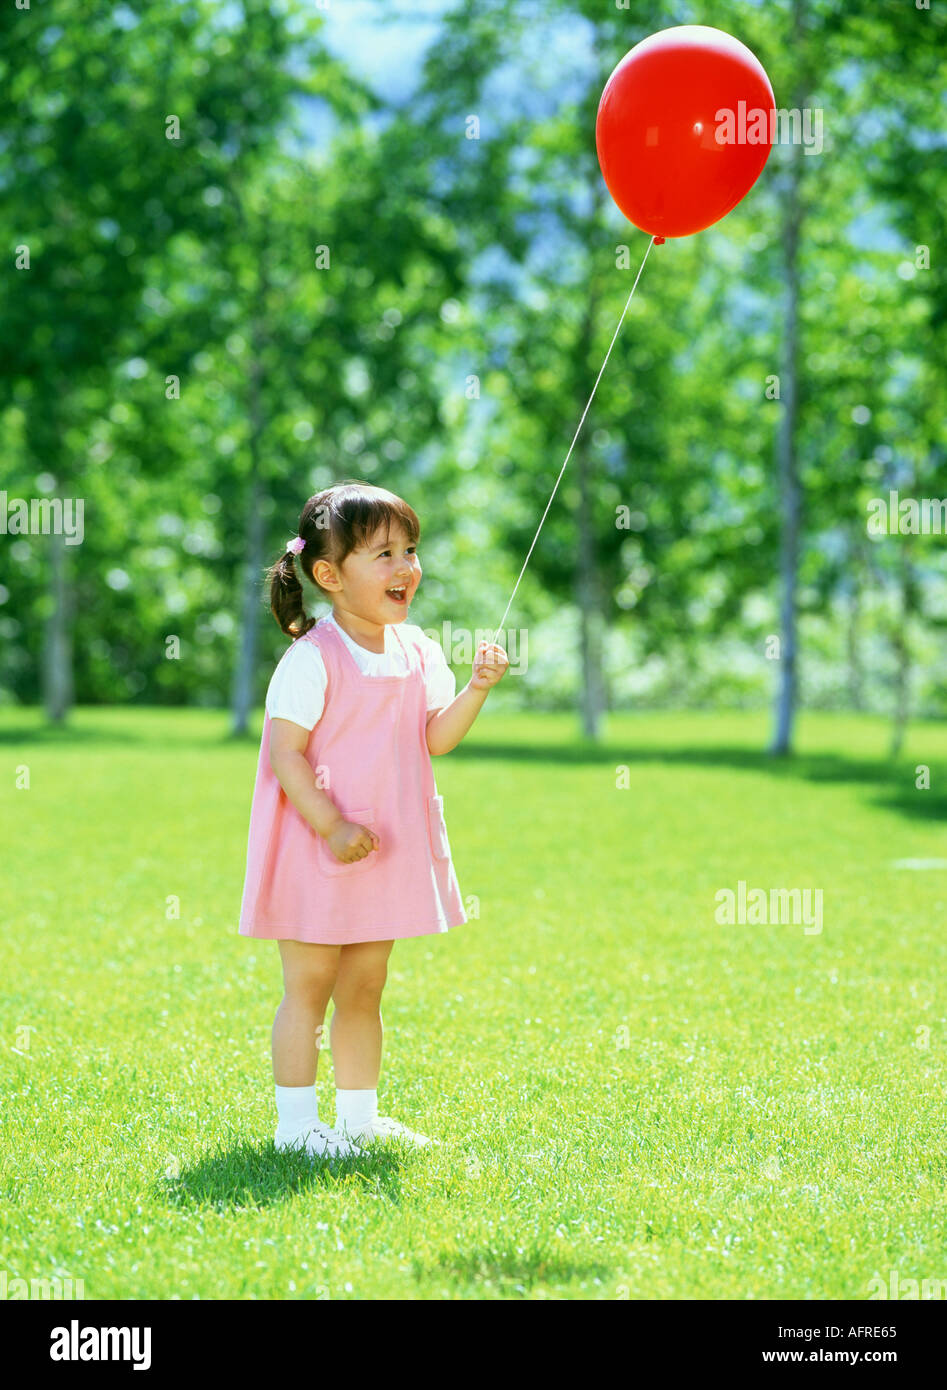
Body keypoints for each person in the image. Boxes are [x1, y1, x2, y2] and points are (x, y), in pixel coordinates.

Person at [238, 479, 509, 1159]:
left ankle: (359, 1119)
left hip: (382, 848)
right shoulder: (312, 659)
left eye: (410, 549)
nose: (405, 567)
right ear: (329, 575)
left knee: (365, 984)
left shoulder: (416, 650)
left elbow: (434, 738)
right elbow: (285, 755)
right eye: (383, 553)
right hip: (315, 848)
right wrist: (330, 826)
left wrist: (476, 689)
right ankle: (296, 1127)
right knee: (308, 986)